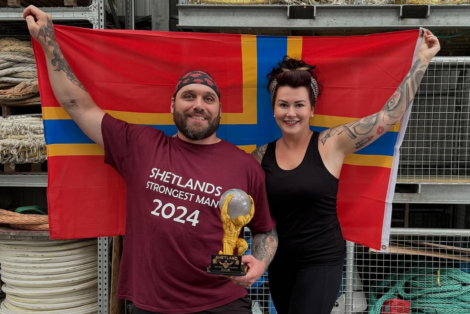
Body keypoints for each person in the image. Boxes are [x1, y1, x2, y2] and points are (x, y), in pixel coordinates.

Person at [23, 5, 278, 314]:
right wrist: (48, 40)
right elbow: (79, 105)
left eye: (208, 99)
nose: (199, 105)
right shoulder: (140, 144)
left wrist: (260, 262)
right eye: (189, 96)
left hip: (222, 301)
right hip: (151, 303)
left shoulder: (245, 165)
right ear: (172, 105)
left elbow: (265, 229)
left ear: (220, 111)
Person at [251, 30, 440, 314]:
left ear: (312, 109)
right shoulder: (260, 156)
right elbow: (261, 218)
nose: (291, 112)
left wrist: (422, 59)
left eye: (299, 105)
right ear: (274, 109)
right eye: (284, 104)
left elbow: (387, 117)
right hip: (279, 261)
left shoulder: (332, 143)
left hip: (321, 260)